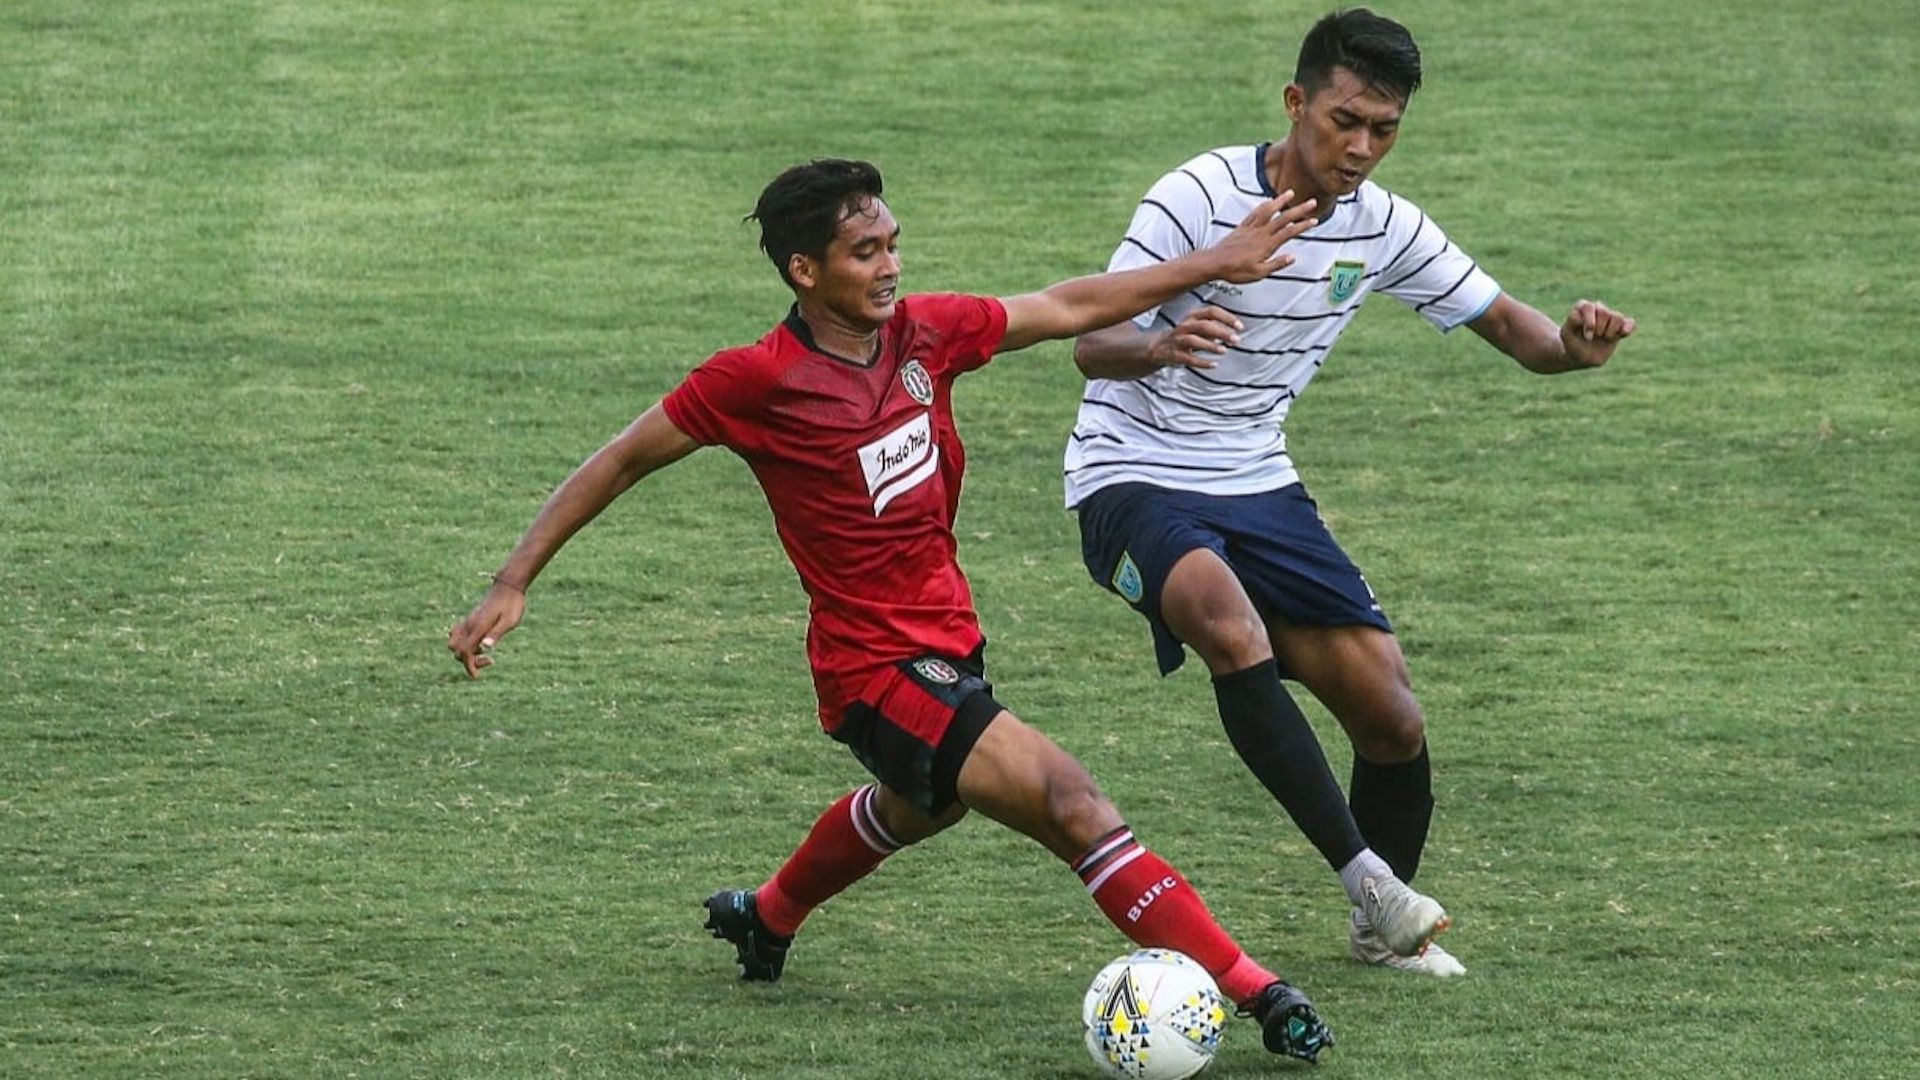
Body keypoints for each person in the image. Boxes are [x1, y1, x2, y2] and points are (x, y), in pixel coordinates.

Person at [448, 159, 1340, 1061]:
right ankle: (1259, 993)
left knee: (923, 808)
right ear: (806, 271)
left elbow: (1065, 306)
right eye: (864, 251)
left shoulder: (926, 335)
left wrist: (1212, 263)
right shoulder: (754, 380)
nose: (889, 266)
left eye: (893, 244)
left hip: (949, 642)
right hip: (871, 670)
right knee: (1071, 800)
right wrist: (513, 581)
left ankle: (769, 915)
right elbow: (620, 460)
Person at [1067, 7, 1637, 980]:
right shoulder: (1198, 195)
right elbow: (1089, 338)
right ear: (1296, 104)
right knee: (1227, 621)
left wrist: (1572, 352)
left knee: (1391, 717)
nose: (1362, 148)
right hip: (1132, 475)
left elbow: (1513, 329)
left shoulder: (1383, 227)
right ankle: (1370, 882)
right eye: (1345, 121)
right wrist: (1164, 339)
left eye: (1385, 130)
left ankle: (1379, 938)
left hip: (1257, 481)